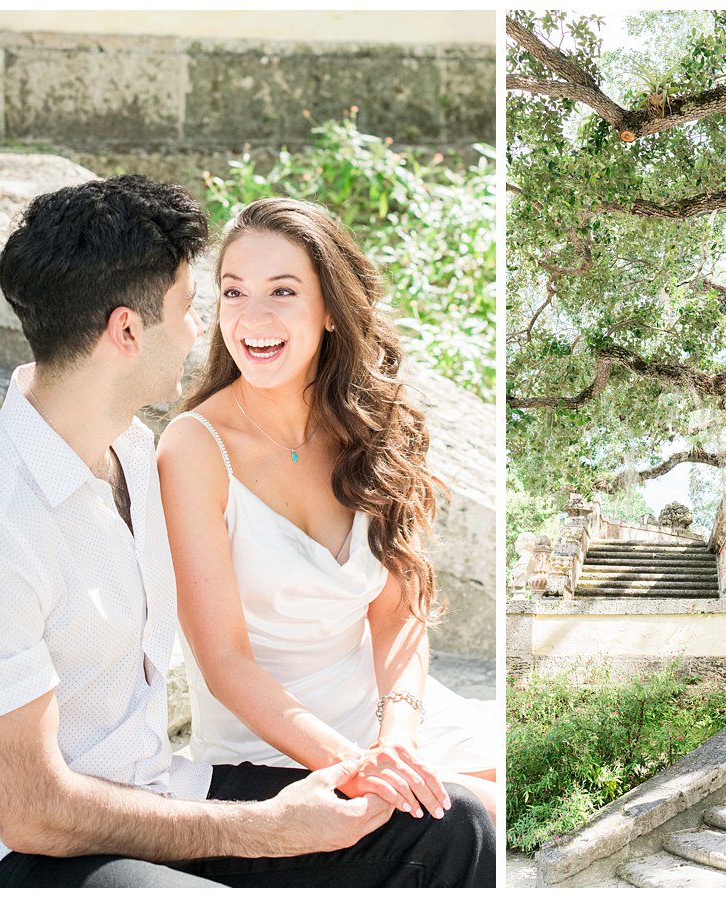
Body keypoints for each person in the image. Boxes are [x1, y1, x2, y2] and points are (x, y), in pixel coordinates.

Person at [0, 175, 494, 888]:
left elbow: (392, 606)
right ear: (127, 330)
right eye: (195, 306)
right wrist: (269, 830)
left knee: (453, 829)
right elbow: (35, 813)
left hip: (154, 789)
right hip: (7, 852)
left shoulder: (125, 450)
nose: (206, 328)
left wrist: (372, 755)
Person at [156, 197, 496, 825]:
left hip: (383, 716)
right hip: (270, 743)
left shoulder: (374, 428)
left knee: (501, 799)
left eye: (281, 291)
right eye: (233, 292)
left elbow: (399, 613)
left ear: (332, 311)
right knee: (462, 822)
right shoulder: (194, 448)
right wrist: (358, 764)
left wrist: (397, 736)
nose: (251, 317)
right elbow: (224, 661)